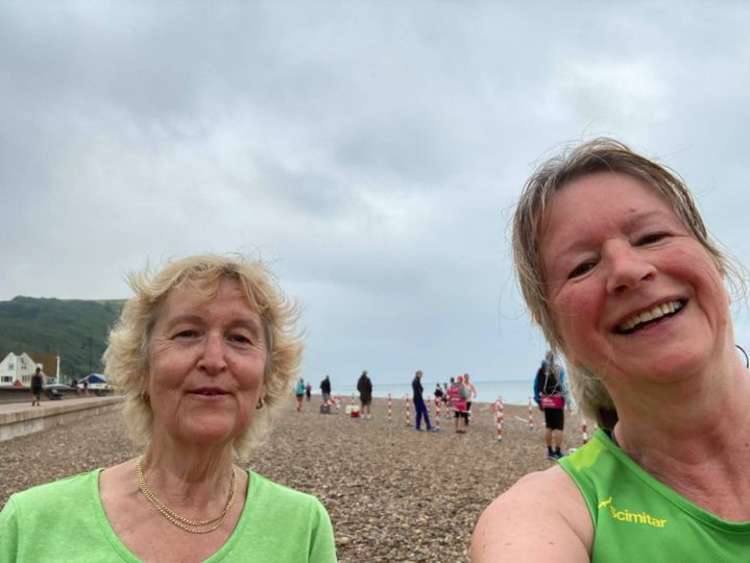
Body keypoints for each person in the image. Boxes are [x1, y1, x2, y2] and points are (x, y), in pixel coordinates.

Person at [472, 138, 750, 561]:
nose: (628, 271)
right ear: (556, 333)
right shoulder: (550, 515)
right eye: (582, 266)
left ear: (715, 263)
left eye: (652, 236)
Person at [0, 255, 336, 562]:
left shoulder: (302, 527)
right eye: (187, 333)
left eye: (240, 338)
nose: (215, 360)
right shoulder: (30, 524)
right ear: (141, 368)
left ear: (266, 379)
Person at [533, 351, 568, 460]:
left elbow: (535, 386)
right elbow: (564, 386)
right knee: (559, 427)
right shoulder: (559, 370)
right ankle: (557, 452)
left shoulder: (540, 371)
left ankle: (549, 451)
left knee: (549, 426)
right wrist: (567, 401)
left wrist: (538, 400)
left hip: (546, 400)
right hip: (557, 401)